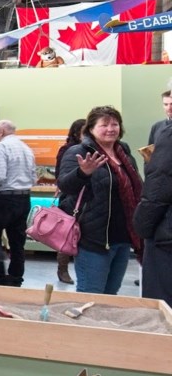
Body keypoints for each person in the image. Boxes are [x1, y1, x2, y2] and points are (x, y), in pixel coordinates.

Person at [57, 106, 142, 295]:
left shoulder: (124, 152)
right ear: (91, 128)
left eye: (115, 124)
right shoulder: (77, 152)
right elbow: (65, 186)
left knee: (111, 296)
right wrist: (82, 173)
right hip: (93, 239)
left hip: (123, 237)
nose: (111, 129)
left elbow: (136, 188)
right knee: (91, 294)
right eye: (104, 125)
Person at [0, 120, 36, 287]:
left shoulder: (0, 148)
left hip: (3, 199)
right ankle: (15, 278)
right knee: (17, 242)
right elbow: (34, 177)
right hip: (24, 199)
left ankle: (0, 277)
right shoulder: (26, 149)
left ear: (0, 131)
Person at [133, 120, 172, 307]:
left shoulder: (169, 134)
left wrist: (141, 227)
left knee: (163, 309)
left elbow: (158, 187)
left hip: (166, 238)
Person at [51, 118, 86, 285]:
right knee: (67, 233)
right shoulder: (67, 150)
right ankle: (62, 268)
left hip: (87, 199)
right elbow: (61, 177)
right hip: (71, 198)